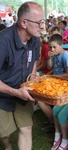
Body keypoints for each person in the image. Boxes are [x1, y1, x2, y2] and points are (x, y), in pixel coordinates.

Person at [0, 2, 44, 150]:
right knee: (5, 134)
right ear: (24, 23)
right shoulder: (3, 41)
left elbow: (33, 63)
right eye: (39, 23)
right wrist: (15, 92)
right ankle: (7, 146)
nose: (42, 27)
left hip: (23, 92)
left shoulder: (35, 38)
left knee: (26, 128)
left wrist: (32, 83)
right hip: (2, 94)